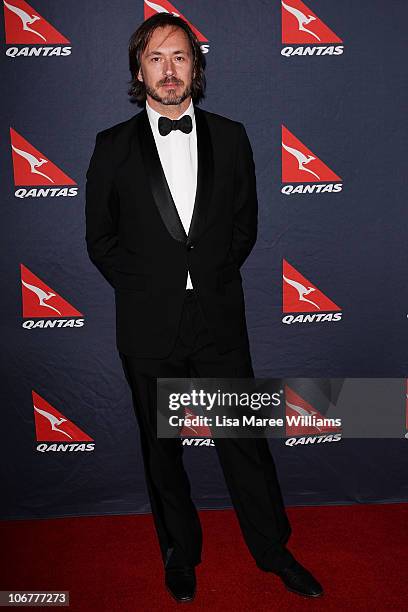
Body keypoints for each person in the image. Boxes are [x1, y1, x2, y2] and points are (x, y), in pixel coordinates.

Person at [85, 12, 323, 603]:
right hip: (148, 325)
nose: (170, 70)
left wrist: (206, 277)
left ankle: (272, 550)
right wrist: (148, 287)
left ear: (197, 66)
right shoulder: (112, 147)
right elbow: (101, 238)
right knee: (160, 450)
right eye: (157, 58)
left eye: (181, 57)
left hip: (218, 319)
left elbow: (245, 228)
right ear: (139, 72)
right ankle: (179, 554)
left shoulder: (233, 136)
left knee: (244, 443)